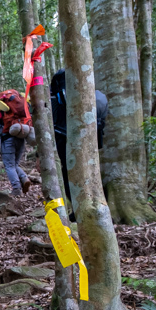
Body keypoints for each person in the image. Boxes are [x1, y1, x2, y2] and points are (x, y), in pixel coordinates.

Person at [50, 69, 108, 218]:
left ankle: (78, 210)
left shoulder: (58, 97)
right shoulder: (95, 95)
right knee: (89, 172)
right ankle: (95, 205)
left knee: (67, 174)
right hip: (91, 140)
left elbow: (55, 123)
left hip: (65, 140)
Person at [0, 92, 32, 196]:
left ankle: (16, 189)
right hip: (20, 136)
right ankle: (24, 178)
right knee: (14, 164)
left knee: (9, 166)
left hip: (7, 139)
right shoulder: (15, 112)